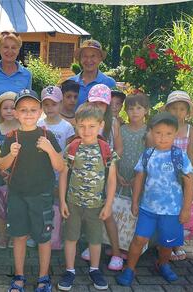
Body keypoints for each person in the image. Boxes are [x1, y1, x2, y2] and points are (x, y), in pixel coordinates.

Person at [116, 112, 193, 287]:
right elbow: (139, 179)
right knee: (139, 239)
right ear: (151, 133)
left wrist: (186, 208)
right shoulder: (147, 155)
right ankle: (130, 268)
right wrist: (135, 201)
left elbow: (189, 183)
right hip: (148, 209)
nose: (163, 138)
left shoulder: (179, 156)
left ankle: (163, 264)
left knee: (166, 242)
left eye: (168, 133)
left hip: (172, 210)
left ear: (175, 134)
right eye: (158, 133)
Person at [0, 89, 65, 292]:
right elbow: (2, 165)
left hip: (42, 195)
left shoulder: (47, 135)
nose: (28, 114)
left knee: (43, 238)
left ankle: (43, 278)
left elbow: (60, 166)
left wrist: (50, 149)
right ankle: (19, 276)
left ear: (40, 113)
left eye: (33, 110)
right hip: (17, 195)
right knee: (19, 236)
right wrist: (10, 154)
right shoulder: (12, 136)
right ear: (16, 113)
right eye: (23, 110)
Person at [57, 103, 117, 291]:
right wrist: (62, 202)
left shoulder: (106, 150)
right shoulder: (72, 148)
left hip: (96, 205)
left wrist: (108, 205)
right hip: (73, 203)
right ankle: (69, 270)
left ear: (100, 125)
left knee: (95, 239)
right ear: (76, 126)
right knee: (71, 237)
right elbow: (64, 175)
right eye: (82, 126)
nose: (86, 130)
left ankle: (94, 269)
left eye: (92, 126)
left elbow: (112, 181)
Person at [79, 84, 124, 269]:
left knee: (107, 214)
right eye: (94, 102)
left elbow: (119, 147)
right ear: (89, 102)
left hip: (105, 173)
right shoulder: (84, 120)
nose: (98, 107)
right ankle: (93, 245)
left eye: (102, 104)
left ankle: (116, 253)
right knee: (90, 213)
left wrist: (111, 163)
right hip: (87, 173)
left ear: (107, 105)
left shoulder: (112, 122)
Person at [37, 85, 75, 250]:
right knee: (41, 204)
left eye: (53, 104)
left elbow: (69, 152)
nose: (49, 108)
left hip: (59, 173)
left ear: (60, 104)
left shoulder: (67, 127)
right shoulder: (38, 124)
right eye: (46, 104)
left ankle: (56, 236)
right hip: (41, 173)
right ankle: (38, 234)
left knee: (58, 204)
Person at [163, 90, 193, 261]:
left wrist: (188, 175)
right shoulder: (165, 128)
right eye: (174, 108)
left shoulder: (190, 129)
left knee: (179, 210)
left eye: (182, 109)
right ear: (168, 110)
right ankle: (163, 244)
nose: (178, 112)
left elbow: (190, 154)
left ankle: (176, 243)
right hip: (164, 176)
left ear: (187, 111)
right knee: (165, 210)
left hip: (181, 176)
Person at [0, 30, 32, 125]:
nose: (9, 51)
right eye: (5, 47)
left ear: (18, 50)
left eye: (13, 47)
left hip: (18, 127)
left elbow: (27, 102)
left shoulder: (26, 75)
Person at [0, 91, 19, 249]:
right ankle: (2, 235)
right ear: (0, 111)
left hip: (19, 175)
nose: (9, 111)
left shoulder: (23, 127)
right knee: (0, 206)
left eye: (13, 107)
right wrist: (0, 169)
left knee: (17, 207)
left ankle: (16, 234)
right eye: (5, 108)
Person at [117, 93, 150, 199]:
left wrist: (138, 177)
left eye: (139, 108)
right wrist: (117, 174)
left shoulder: (149, 132)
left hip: (140, 176)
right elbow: (115, 152)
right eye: (131, 108)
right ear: (126, 111)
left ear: (145, 110)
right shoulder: (120, 130)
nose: (135, 112)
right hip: (120, 175)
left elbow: (150, 157)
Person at [68, 40, 116, 108]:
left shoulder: (109, 83)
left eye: (93, 56)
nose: (88, 60)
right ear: (80, 59)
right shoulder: (70, 83)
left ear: (100, 58)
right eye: (85, 56)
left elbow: (112, 110)